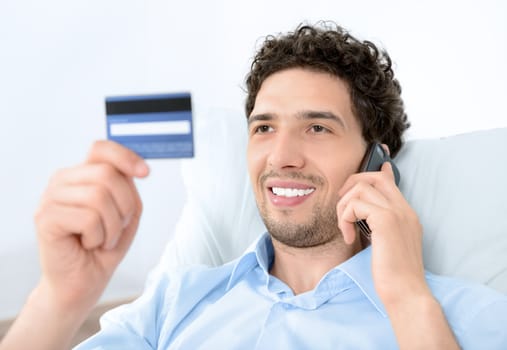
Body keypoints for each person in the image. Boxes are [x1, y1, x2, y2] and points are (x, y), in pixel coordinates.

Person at [1, 21, 506, 350]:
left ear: (377, 162)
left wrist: (406, 297)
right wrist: (60, 298)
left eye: (318, 127)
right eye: (264, 127)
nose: (281, 157)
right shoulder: (175, 302)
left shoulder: (460, 314)